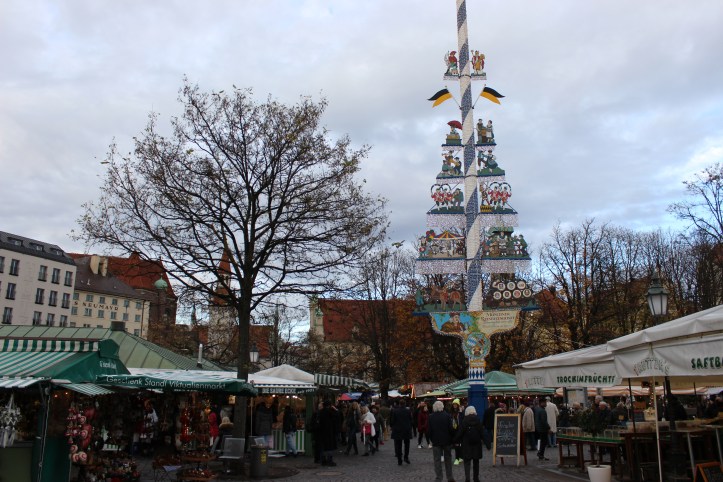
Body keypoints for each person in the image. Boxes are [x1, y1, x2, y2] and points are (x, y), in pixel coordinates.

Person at [455, 405, 484, 482]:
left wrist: (454, 440)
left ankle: (467, 478)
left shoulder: (464, 420)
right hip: (476, 445)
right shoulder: (478, 420)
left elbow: (460, 433)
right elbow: (482, 432)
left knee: (467, 462)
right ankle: (476, 478)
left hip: (466, 445)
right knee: (476, 463)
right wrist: (487, 443)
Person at [429, 400, 455, 482]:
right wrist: (451, 439)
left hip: (436, 441)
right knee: (448, 460)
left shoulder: (431, 417)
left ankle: (439, 478)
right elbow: (451, 429)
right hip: (447, 441)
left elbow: (429, 431)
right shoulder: (447, 416)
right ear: (442, 407)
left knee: (437, 460)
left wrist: (432, 439)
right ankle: (450, 477)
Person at [391, 399, 413, 465]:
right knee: (407, 445)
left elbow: (392, 421)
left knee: (398, 445)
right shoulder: (408, 411)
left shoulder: (395, 411)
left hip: (397, 430)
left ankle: (399, 459)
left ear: (399, 404)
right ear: (405, 404)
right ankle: (406, 457)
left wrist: (393, 427)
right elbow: (411, 420)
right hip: (406, 430)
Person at [318, 400, 339, 466]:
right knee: (329, 447)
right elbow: (337, 415)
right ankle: (330, 460)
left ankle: (323, 460)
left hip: (322, 431)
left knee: (323, 446)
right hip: (329, 432)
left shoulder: (321, 412)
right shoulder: (330, 412)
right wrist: (335, 409)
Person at [450, 399, 464, 465]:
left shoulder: (460, 412)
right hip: (454, 430)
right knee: (457, 445)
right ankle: (460, 457)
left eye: (456, 404)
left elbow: (462, 421)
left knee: (458, 445)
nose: (454, 405)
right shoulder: (452, 412)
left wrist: (461, 413)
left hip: (459, 430)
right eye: (454, 404)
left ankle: (457, 459)